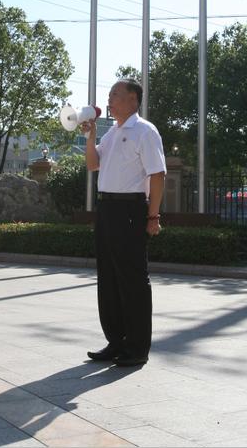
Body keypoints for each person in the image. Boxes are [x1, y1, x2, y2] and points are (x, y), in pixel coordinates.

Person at [82, 78, 166, 367]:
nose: (110, 99)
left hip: (131, 209)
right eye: (110, 94)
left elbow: (158, 175)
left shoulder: (145, 131)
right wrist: (91, 137)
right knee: (109, 278)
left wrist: (153, 216)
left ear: (133, 99)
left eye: (115, 94)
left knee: (132, 281)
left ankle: (137, 347)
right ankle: (116, 342)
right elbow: (93, 164)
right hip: (107, 209)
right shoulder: (112, 133)